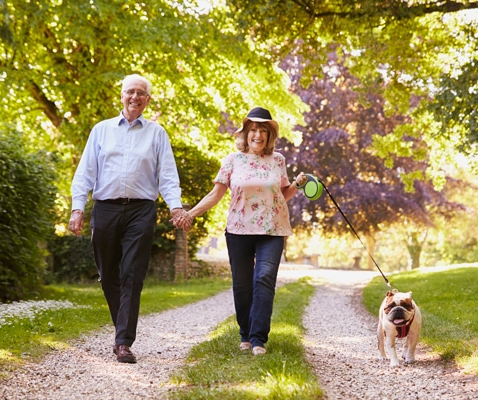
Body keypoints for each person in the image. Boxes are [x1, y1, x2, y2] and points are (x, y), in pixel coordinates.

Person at [68, 74, 188, 363]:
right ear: (121, 96)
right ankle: (121, 328)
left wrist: (175, 207)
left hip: (141, 210)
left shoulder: (157, 134)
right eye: (130, 92)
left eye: (141, 93)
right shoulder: (101, 130)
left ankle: (123, 341)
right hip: (106, 208)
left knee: (132, 274)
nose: (135, 97)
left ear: (148, 99)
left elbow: (168, 176)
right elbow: (85, 171)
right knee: (108, 274)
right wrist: (77, 207)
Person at [176, 107, 307, 356]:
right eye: (253, 130)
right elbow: (216, 195)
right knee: (242, 285)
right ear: (246, 133)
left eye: (263, 130)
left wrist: (297, 185)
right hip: (239, 230)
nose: (258, 134)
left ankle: (258, 338)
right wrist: (190, 214)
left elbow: (282, 195)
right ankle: (245, 333)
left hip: (273, 229)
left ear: (270, 135)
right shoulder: (232, 160)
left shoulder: (278, 160)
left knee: (264, 279)